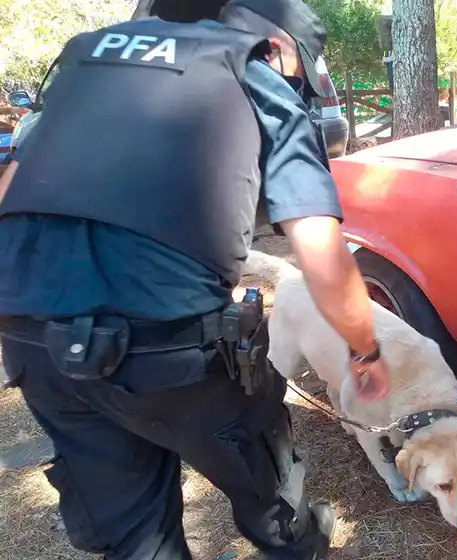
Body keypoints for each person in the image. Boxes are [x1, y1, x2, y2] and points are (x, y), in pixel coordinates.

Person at [0, 0, 391, 558]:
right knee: (267, 485)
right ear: (278, 47)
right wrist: (365, 349)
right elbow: (320, 251)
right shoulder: (252, 72)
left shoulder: (87, 67)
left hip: (34, 340)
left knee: (137, 540)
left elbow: (11, 193)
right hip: (168, 348)